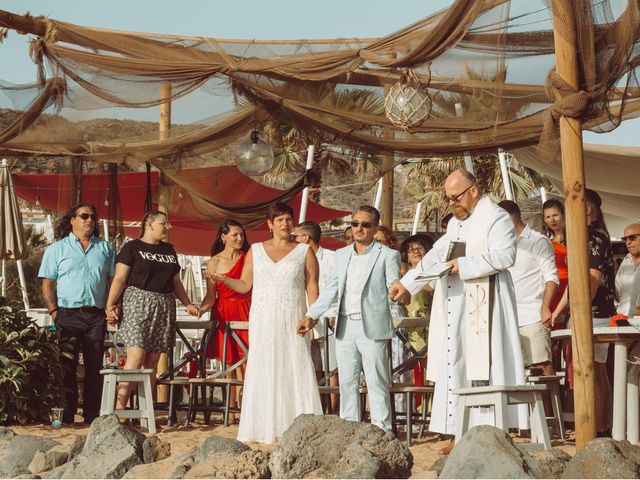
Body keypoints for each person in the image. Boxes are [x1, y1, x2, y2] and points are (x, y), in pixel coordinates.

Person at [390, 169, 526, 444]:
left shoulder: (496, 218)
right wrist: (407, 283)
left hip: (486, 303)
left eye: (455, 197)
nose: (451, 203)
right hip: (457, 303)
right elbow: (435, 257)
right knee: (456, 364)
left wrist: (461, 265)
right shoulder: (455, 223)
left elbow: (506, 256)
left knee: (483, 365)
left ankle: (488, 433)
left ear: (473, 191)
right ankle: (457, 431)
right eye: (448, 198)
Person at [209, 202, 322, 444]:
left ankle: (300, 427)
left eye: (288, 219)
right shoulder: (256, 250)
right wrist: (222, 279)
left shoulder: (304, 251)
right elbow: (245, 285)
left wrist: (312, 316)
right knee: (264, 367)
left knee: (295, 366)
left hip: (293, 318)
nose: (285, 223)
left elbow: (312, 287)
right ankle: (263, 427)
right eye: (279, 219)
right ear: (269, 224)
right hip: (263, 319)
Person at [302, 205, 400, 432]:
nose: (359, 228)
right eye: (354, 223)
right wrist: (311, 315)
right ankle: (349, 432)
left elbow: (393, 285)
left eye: (365, 224)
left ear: (375, 228)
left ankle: (382, 432)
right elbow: (330, 289)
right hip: (345, 326)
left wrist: (399, 293)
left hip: (373, 327)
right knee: (347, 384)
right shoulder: (341, 255)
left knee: (377, 383)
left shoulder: (388, 255)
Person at [105, 211, 199, 414]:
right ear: (149, 224)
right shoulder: (132, 247)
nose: (167, 227)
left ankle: (146, 409)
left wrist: (188, 304)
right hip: (137, 302)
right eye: (163, 223)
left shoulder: (169, 251)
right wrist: (110, 304)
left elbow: (176, 283)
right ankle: (120, 407)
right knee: (136, 356)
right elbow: (120, 278)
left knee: (152, 361)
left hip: (164, 304)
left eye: (167, 223)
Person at [39, 203, 116, 425]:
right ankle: (68, 415)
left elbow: (113, 281)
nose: (89, 220)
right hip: (67, 314)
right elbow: (47, 283)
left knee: (95, 367)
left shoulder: (106, 249)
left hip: (96, 316)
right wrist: (54, 311)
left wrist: (113, 306)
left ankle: (92, 416)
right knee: (67, 367)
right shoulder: (56, 249)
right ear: (72, 220)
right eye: (84, 216)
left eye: (93, 216)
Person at [551, 189, 615, 435]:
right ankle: (600, 425)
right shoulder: (586, 235)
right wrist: (558, 312)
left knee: (592, 369)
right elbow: (576, 281)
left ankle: (595, 426)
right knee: (595, 369)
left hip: (594, 312)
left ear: (587, 207)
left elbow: (592, 278)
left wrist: (580, 311)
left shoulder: (593, 235)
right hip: (588, 310)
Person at [199, 219, 251, 422]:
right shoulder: (214, 262)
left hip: (246, 307)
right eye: (235, 235)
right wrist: (200, 309)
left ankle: (246, 409)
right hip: (224, 311)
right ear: (223, 237)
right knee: (229, 364)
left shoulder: (248, 258)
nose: (240, 238)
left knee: (247, 362)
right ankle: (230, 410)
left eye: (242, 235)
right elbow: (211, 297)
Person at [499, 200, 558, 376]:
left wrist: (545, 307)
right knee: (516, 372)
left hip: (532, 316)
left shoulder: (538, 241)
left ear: (509, 218)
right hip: (507, 318)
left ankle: (551, 404)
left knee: (542, 367)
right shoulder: (501, 246)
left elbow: (551, 278)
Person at [293, 221, 339, 411]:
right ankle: (318, 409)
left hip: (330, 318)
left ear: (306, 238)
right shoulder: (296, 258)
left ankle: (334, 410)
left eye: (295, 236)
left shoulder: (332, 258)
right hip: (305, 318)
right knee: (314, 368)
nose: (292, 239)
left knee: (333, 368)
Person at [399, 234, 434, 409]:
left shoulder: (433, 271)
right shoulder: (403, 276)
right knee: (415, 370)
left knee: (430, 371)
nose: (415, 252)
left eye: (420, 248)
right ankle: (417, 407)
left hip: (430, 326)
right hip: (410, 331)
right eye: (411, 249)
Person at [615, 223, 640, 317]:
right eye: (625, 239)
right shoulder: (625, 262)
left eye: (632, 237)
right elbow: (618, 293)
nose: (628, 242)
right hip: (623, 320)